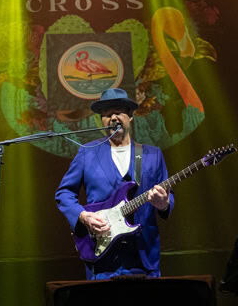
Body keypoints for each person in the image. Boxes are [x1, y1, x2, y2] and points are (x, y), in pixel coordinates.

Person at [55, 87, 173, 280]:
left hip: (144, 256)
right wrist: (83, 216)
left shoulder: (153, 154)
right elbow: (64, 193)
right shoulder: (87, 152)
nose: (113, 118)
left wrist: (164, 204)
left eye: (118, 112)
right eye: (106, 114)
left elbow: (168, 197)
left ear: (130, 116)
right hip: (102, 256)